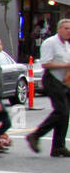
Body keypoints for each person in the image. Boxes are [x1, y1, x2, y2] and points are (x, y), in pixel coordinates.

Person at [28, 17, 70, 157]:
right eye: (66, 28)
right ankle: (36, 134)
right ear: (59, 29)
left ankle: (58, 146)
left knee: (65, 114)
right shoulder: (50, 43)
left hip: (63, 81)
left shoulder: (66, 45)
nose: (68, 31)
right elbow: (45, 63)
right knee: (61, 111)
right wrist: (66, 66)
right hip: (51, 78)